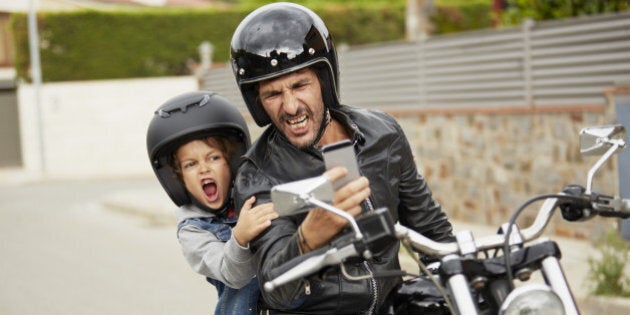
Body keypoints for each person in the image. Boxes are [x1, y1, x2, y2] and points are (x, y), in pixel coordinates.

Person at [230, 2, 454, 314]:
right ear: (258, 103)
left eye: (299, 85)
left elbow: (429, 227)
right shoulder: (258, 174)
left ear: (323, 80)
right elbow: (276, 288)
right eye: (273, 94)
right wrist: (307, 239)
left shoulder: (382, 133)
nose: (291, 106)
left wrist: (461, 275)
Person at [146, 91, 278, 315]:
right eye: (190, 164)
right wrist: (240, 237)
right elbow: (231, 274)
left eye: (213, 158)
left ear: (232, 163)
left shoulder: (258, 193)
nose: (204, 169)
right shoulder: (193, 231)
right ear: (178, 179)